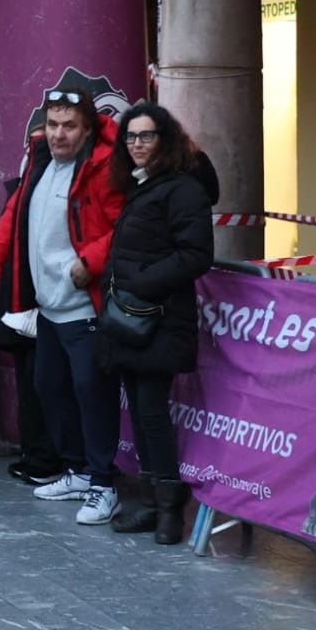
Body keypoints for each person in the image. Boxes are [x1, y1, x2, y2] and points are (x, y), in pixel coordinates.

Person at [0, 88, 124, 527]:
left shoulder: (102, 169)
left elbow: (126, 226)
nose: (59, 134)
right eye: (53, 124)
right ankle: (77, 470)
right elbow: (10, 221)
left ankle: (103, 484)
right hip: (47, 309)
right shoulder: (39, 162)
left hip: (85, 308)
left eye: (70, 125)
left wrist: (91, 262)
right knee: (51, 391)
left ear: (87, 128)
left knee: (91, 396)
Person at [99, 102, 215, 544]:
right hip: (133, 318)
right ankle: (153, 506)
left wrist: (141, 285)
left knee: (151, 414)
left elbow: (195, 255)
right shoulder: (142, 185)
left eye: (146, 136)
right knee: (145, 414)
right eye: (130, 137)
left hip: (159, 319)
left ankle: (166, 510)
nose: (136, 145)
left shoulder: (183, 188)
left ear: (164, 140)